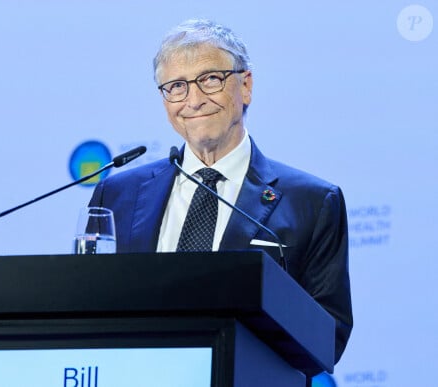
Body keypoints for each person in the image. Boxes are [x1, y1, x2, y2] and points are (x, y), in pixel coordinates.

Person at [88, 18, 352, 367]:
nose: (194, 100)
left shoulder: (312, 202)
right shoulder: (117, 195)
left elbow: (327, 338)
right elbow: (88, 305)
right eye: (177, 86)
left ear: (246, 85)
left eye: (210, 79)